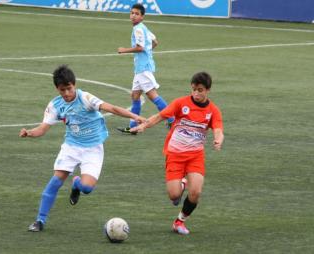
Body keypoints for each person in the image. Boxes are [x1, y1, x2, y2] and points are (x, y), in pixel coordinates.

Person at [19, 65, 146, 232]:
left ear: (75, 85)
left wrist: (135, 116)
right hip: (71, 147)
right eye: (62, 90)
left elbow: (112, 108)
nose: (66, 93)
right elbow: (42, 128)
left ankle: (77, 184)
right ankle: (40, 221)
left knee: (87, 188)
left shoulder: (86, 98)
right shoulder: (55, 105)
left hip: (93, 149)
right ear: (57, 88)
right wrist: (29, 132)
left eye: (69, 88)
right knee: (55, 181)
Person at [131, 72, 224, 235]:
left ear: (208, 90)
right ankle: (181, 183)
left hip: (195, 156)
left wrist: (218, 140)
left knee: (196, 192)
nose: (196, 93)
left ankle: (179, 221)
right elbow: (160, 116)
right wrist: (144, 125)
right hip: (175, 154)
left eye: (200, 90)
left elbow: (218, 129)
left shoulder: (213, 110)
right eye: (194, 89)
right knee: (174, 196)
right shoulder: (181, 103)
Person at [117, 3, 173, 134]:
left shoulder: (138, 29)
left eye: (137, 14)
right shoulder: (144, 28)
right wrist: (149, 53)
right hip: (141, 68)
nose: (133, 16)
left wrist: (124, 50)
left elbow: (140, 47)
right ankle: (133, 127)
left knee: (152, 96)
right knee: (135, 96)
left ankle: (172, 119)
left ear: (142, 17)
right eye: (132, 13)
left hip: (143, 68)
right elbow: (155, 42)